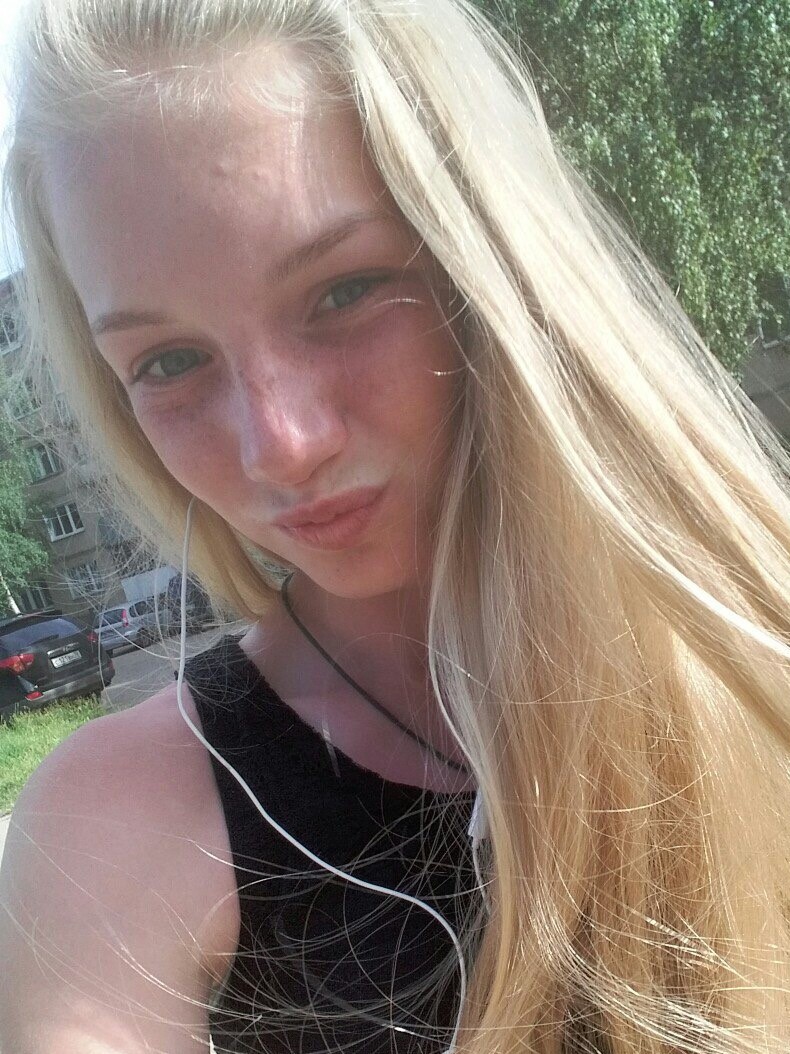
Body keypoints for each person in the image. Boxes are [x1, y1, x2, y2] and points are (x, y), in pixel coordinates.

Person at [1, 0, 789, 1051]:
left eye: (345, 291)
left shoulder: (748, 652)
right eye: (170, 362)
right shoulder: (120, 821)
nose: (281, 445)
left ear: (486, 256)